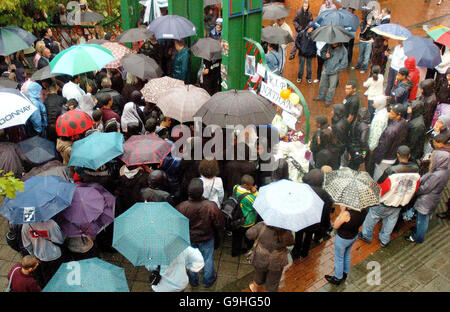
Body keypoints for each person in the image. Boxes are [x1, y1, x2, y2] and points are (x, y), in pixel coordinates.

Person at [359, 145, 420, 247]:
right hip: (400, 202)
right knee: (391, 220)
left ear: (397, 155)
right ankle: (384, 240)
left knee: (372, 217)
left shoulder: (391, 171)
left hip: (385, 202)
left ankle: (366, 235)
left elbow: (381, 189)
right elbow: (415, 189)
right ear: (409, 155)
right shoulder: (416, 171)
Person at [176, 179, 224, 288]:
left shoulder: (182, 207)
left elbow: (177, 224)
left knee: (191, 260)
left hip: (190, 239)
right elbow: (219, 223)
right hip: (206, 238)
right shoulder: (210, 206)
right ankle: (208, 280)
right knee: (208, 258)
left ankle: (194, 281)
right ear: (202, 192)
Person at [406, 136, 449, 243]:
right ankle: (417, 231)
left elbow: (426, 188)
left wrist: (415, 190)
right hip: (433, 198)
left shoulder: (437, 174)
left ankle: (417, 237)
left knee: (422, 220)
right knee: (422, 218)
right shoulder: (444, 170)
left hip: (427, 200)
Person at [292, 169, 333, 259]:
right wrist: (325, 224)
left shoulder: (301, 188)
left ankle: (296, 251)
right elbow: (326, 209)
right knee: (308, 236)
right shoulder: (323, 193)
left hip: (301, 218)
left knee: (298, 235)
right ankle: (305, 252)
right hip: (313, 220)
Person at [324, 205, 368, 285]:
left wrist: (342, 211)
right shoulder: (364, 210)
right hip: (353, 236)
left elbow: (335, 226)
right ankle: (345, 272)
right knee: (347, 254)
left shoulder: (346, 214)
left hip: (342, 239)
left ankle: (337, 278)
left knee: (339, 258)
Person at [246, 221, 294, 292]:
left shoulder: (262, 226)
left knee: (259, 273)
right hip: (277, 260)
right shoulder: (286, 232)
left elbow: (249, 234)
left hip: (260, 257)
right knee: (273, 280)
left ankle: (255, 287)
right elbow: (291, 242)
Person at [21, 220, 65, 287]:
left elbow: (27, 245)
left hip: (39, 257)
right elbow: (60, 240)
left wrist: (33, 255)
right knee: (58, 276)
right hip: (55, 255)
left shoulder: (26, 225)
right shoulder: (52, 224)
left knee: (47, 277)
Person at [373, 104, 408, 181]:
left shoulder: (390, 131)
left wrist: (377, 159)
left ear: (398, 116)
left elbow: (383, 147)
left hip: (385, 158)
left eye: (392, 113)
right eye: (390, 112)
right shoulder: (404, 122)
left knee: (378, 176)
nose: (389, 114)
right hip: (394, 155)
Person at [231, 174, 259, 257]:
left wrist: (250, 190)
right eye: (251, 185)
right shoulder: (249, 198)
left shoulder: (235, 188)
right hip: (247, 222)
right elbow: (257, 203)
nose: (252, 187)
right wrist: (255, 192)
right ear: (245, 185)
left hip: (235, 219)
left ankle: (235, 252)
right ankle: (249, 250)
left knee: (236, 238)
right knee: (249, 238)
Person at [367, 95, 389, 175]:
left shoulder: (380, 119)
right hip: (377, 145)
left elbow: (376, 135)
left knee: (370, 164)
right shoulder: (382, 112)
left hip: (374, 147)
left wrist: (371, 147)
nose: (372, 104)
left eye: (374, 103)